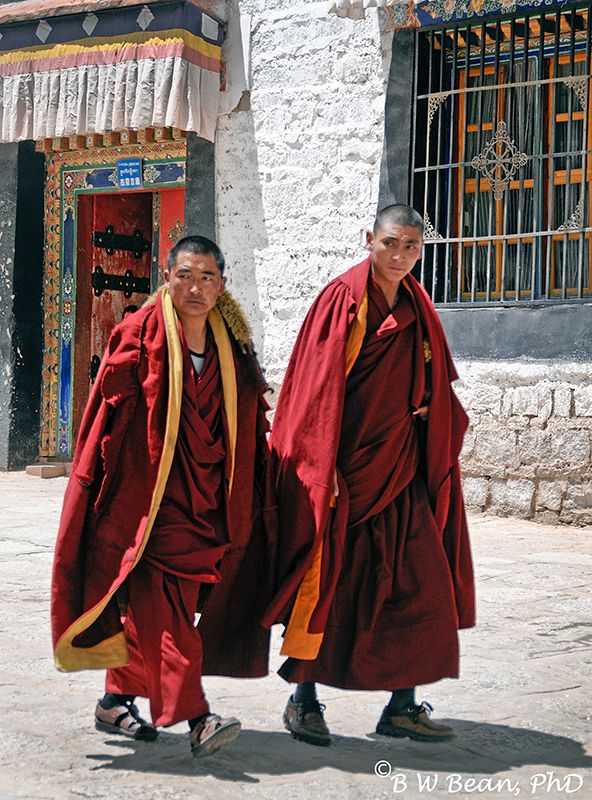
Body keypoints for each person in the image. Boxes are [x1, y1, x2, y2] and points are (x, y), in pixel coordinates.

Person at [51, 236, 275, 758]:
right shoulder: (138, 335)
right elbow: (108, 417)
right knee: (164, 606)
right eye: (185, 276)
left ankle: (115, 698)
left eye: (207, 279)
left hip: (205, 501)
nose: (195, 288)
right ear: (166, 278)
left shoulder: (232, 344)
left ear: (221, 285)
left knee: (170, 606)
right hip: (147, 505)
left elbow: (248, 415)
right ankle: (197, 716)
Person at [261, 204, 475, 746]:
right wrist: (321, 464)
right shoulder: (342, 299)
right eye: (390, 244)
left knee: (419, 584)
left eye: (410, 247)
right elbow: (314, 388)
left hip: (400, 470)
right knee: (330, 585)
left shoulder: (417, 301)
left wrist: (430, 410)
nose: (400, 256)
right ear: (369, 240)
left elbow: (433, 376)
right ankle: (303, 700)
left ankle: (401, 706)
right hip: (347, 472)